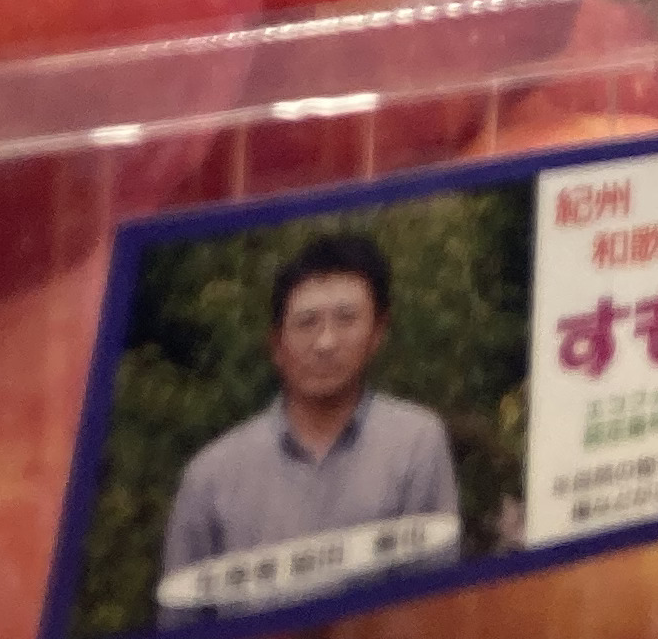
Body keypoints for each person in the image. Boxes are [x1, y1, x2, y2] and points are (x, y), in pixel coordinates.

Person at [158, 235, 460, 609]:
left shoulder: (416, 442)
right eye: (306, 323)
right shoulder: (210, 477)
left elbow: (432, 606)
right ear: (276, 345)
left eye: (346, 319)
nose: (326, 343)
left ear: (378, 332)